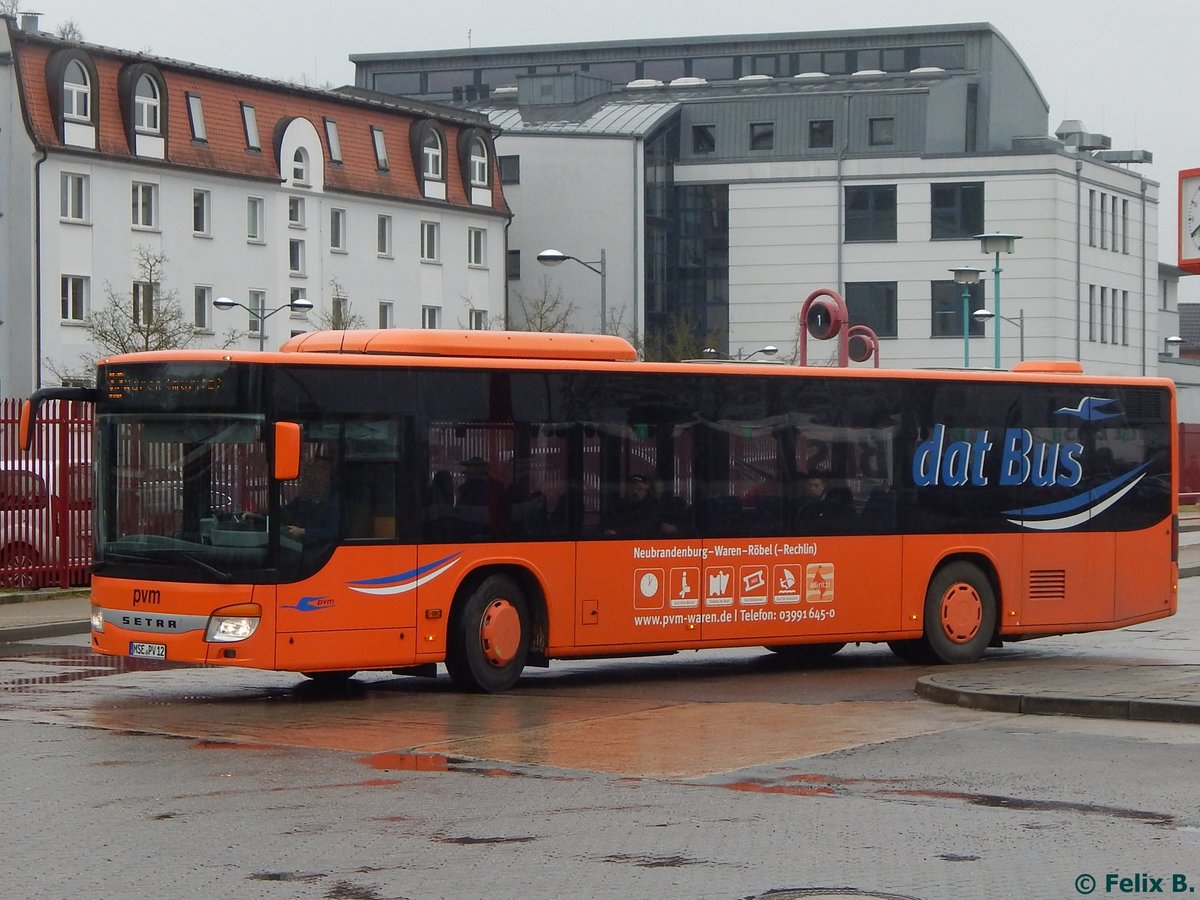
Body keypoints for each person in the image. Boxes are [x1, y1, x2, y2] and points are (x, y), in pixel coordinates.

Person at [283, 456, 339, 549]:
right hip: (299, 546)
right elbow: (285, 511)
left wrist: (304, 532)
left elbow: (333, 531)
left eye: (312, 477)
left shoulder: (333, 502)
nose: (306, 481)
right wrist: (258, 515)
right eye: (306, 477)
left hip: (321, 550)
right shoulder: (304, 499)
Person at [602, 474, 674, 538]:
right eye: (631, 488)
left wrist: (618, 533)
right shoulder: (618, 507)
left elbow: (645, 529)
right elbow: (605, 525)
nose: (634, 492)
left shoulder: (653, 507)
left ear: (646, 490)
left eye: (639, 488)